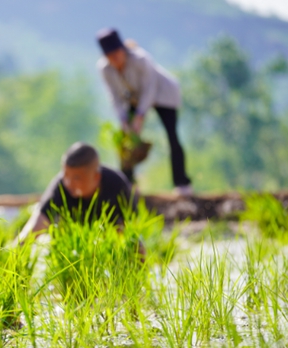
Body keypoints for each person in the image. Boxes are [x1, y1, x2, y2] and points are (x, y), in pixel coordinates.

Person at [96, 28, 193, 196]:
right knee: (127, 141)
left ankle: (182, 183)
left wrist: (140, 116)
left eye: (117, 55)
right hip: (135, 99)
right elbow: (114, 97)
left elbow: (150, 89)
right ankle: (127, 185)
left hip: (164, 94)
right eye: (110, 57)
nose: (115, 60)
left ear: (123, 50)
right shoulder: (105, 69)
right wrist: (124, 119)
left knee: (172, 136)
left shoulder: (140, 59)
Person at [19, 142, 136, 240]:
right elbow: (34, 227)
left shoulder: (117, 186)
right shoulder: (60, 188)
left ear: (96, 177)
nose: (68, 183)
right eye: (65, 174)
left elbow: (132, 229)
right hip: (68, 246)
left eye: (76, 178)